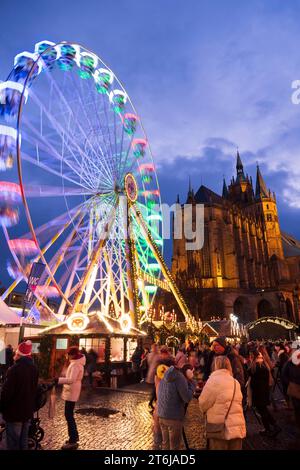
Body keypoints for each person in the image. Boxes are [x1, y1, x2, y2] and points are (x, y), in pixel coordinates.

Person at [199, 355, 246, 450]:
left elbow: (203, 404)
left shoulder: (212, 381)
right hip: (237, 428)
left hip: (219, 428)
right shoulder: (235, 382)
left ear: (215, 366)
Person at [0, 340, 39, 450]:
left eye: (16, 353)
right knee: (23, 442)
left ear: (18, 354)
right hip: (27, 411)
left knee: (13, 442)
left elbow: (7, 393)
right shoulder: (34, 368)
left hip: (14, 413)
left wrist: (2, 407)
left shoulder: (14, 370)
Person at [54, 346, 86, 450]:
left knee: (68, 415)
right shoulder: (75, 363)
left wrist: (59, 380)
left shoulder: (76, 364)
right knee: (69, 414)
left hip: (72, 391)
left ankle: (73, 438)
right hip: (72, 390)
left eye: (68, 354)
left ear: (72, 354)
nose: (67, 356)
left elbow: (71, 379)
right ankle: (73, 436)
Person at [157, 364, 195, 450]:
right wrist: (192, 383)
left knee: (165, 445)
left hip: (162, 414)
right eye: (193, 372)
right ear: (189, 372)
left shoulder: (166, 375)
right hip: (173, 417)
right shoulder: (180, 378)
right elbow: (187, 398)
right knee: (174, 447)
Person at [248, 350, 281, 438]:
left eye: (251, 356)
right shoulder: (263, 365)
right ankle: (271, 427)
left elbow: (250, 374)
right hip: (263, 392)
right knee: (264, 410)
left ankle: (272, 427)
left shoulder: (256, 367)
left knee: (263, 411)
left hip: (259, 393)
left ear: (253, 357)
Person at [282, 349, 300, 437]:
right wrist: (290, 383)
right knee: (297, 407)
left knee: (297, 407)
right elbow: (284, 375)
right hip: (295, 387)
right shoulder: (289, 364)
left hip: (295, 386)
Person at [146, 344, 160, 411]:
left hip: (153, 374)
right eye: (156, 347)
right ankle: (153, 403)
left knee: (155, 390)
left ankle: (153, 403)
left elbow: (149, 363)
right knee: (155, 390)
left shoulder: (150, 355)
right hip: (154, 375)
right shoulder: (156, 355)